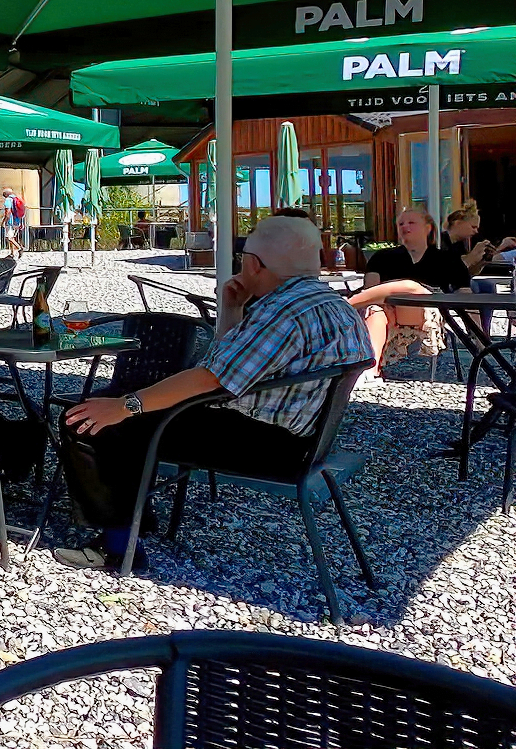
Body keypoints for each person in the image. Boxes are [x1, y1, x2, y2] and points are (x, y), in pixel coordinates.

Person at [53, 215, 371, 571]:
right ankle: (134, 514)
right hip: (304, 441)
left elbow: (211, 377)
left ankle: (117, 545)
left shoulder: (282, 312)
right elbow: (230, 365)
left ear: (254, 263)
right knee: (136, 410)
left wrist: (126, 406)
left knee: (89, 421)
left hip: (269, 445)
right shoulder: (334, 306)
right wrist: (232, 309)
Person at [346, 207, 472, 375]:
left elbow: (465, 293)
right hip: (389, 310)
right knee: (376, 313)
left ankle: (345, 306)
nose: (405, 227)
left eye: (411, 222)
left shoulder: (447, 258)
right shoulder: (381, 257)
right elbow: (371, 290)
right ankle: (370, 372)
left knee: (410, 286)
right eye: (401, 224)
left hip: (426, 311)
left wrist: (478, 337)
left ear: (428, 228)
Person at [441, 203, 516, 275]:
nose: (476, 231)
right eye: (473, 227)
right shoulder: (442, 243)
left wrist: (483, 260)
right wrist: (472, 256)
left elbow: (469, 272)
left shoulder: (460, 246)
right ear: (458, 223)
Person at [0, 185, 26, 255]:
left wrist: (4, 221)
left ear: (5, 194)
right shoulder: (16, 198)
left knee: (9, 238)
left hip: (10, 222)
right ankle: (12, 253)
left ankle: (19, 248)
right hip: (17, 221)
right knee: (12, 237)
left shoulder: (8, 200)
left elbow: (8, 213)